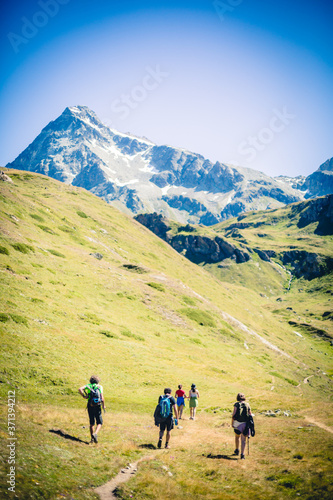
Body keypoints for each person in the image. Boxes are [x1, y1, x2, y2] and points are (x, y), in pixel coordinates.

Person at [79, 375, 106, 444]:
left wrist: (84, 396)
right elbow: (102, 398)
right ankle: (96, 433)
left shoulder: (88, 386)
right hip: (97, 405)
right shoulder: (100, 387)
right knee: (99, 422)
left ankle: (92, 439)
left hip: (90, 405)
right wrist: (103, 406)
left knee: (91, 423)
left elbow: (80, 389)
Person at [231, 393, 252, 459]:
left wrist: (232, 423)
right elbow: (250, 414)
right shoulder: (247, 404)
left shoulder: (236, 404)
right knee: (243, 440)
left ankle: (237, 450)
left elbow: (234, 414)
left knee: (237, 437)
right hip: (245, 424)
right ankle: (242, 454)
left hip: (237, 423)